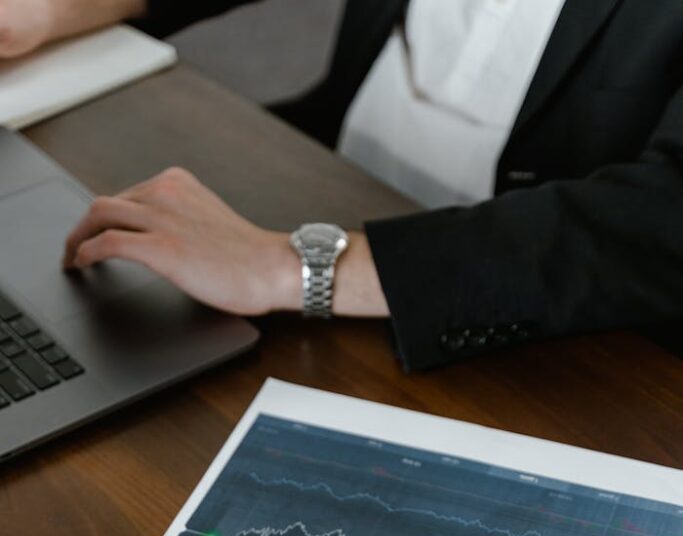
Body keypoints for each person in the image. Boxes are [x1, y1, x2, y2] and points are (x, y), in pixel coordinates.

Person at [1, 1, 682, 370]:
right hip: (327, 183)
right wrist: (54, 8)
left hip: (542, 326)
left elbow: (658, 223)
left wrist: (298, 266)